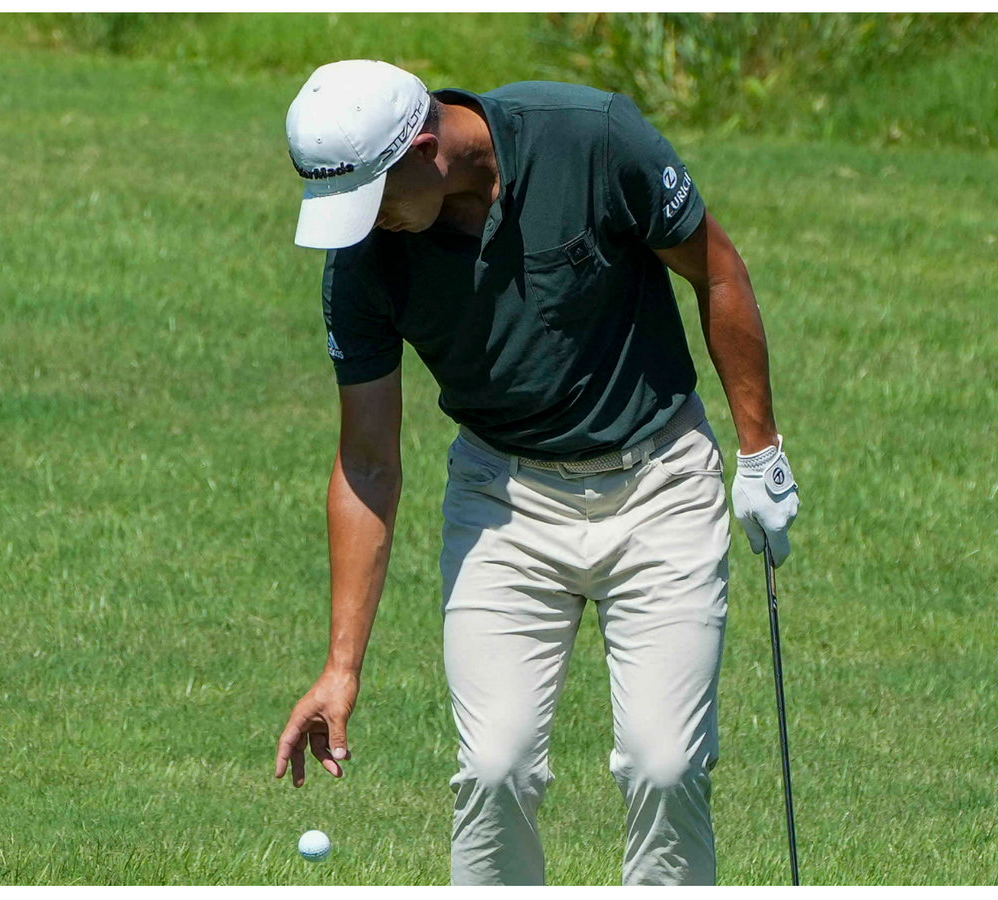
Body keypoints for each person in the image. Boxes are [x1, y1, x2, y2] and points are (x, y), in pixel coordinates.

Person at [271, 59, 800, 886]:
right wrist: (341, 667)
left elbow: (717, 269)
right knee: (494, 769)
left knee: (665, 767)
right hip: (502, 500)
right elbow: (368, 462)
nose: (361, 225)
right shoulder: (365, 258)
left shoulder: (591, 136)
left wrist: (761, 451)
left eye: (371, 197)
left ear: (424, 149)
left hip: (658, 481)